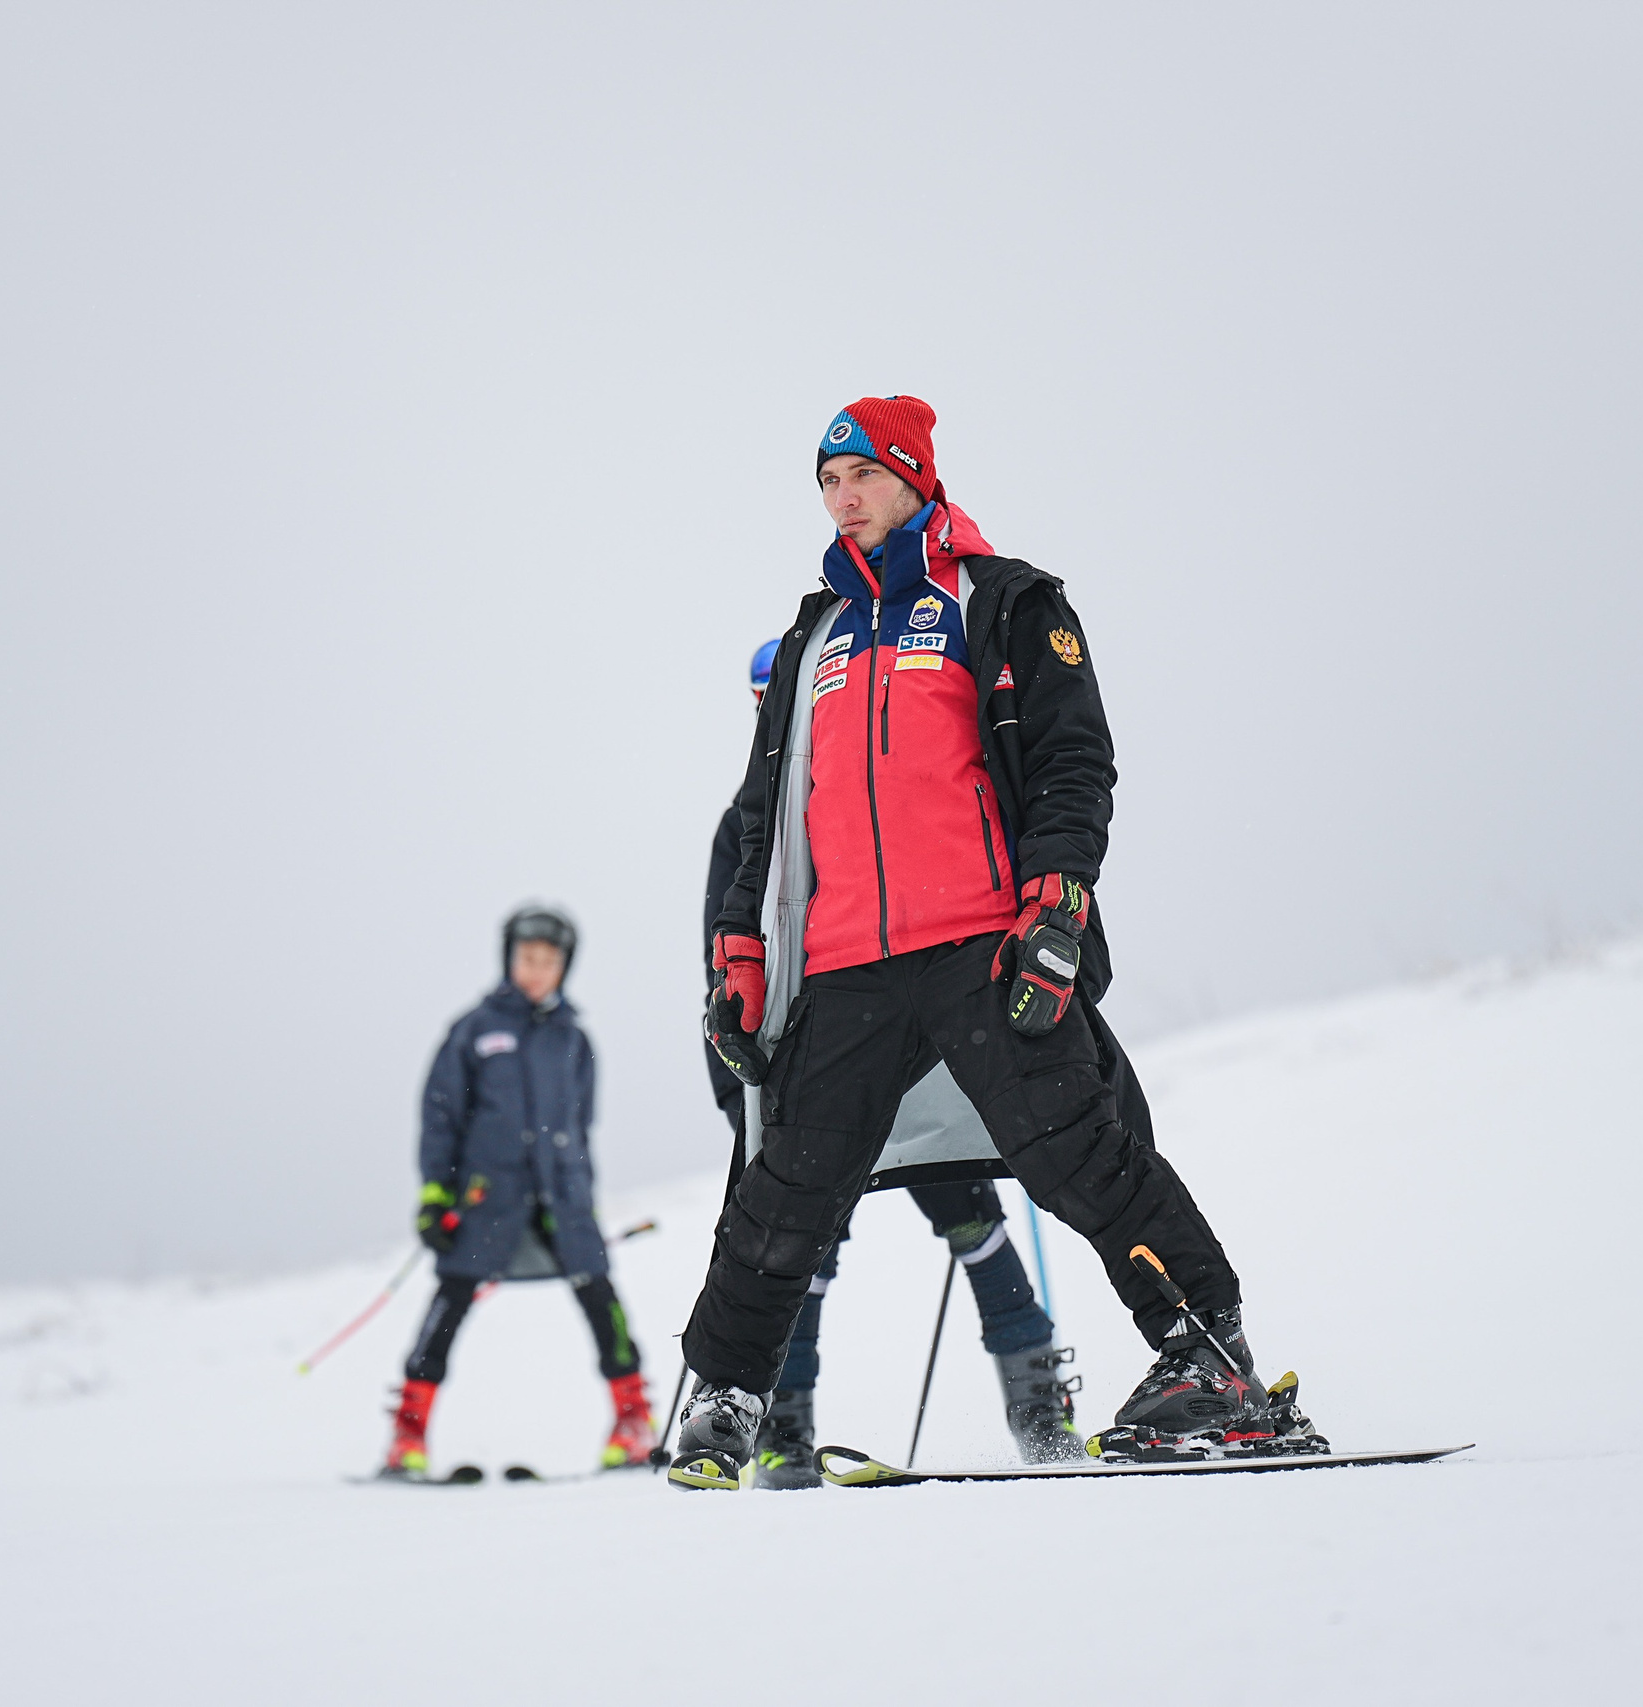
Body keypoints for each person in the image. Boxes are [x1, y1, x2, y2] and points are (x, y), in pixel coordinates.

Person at [672, 396, 1317, 1490]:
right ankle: (730, 1395)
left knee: (1078, 1150)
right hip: (845, 963)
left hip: (982, 939)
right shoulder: (812, 637)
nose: (844, 500)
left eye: (862, 477)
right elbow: (763, 815)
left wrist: (1055, 907)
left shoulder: (1002, 598)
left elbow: (1072, 763)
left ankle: (1209, 1357)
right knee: (787, 1182)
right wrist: (741, 957)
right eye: (828, 486)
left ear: (913, 476)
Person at [704, 639, 1082, 1487]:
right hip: (814, 1069)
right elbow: (722, 961)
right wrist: (742, 1092)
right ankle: (782, 1429)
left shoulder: (874, 783)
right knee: (806, 1242)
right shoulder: (751, 823)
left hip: (925, 1057)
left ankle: (1040, 1412)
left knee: (973, 1221)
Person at [383, 905, 657, 1478]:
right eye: (527, 958)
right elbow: (441, 1118)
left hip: (562, 1200)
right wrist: (437, 1196)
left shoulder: (573, 1041)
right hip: (488, 1199)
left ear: (565, 968)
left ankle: (633, 1423)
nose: (537, 970)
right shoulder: (475, 1031)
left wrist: (582, 1195)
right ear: (509, 959)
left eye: (549, 961)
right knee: (451, 1302)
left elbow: (582, 1129)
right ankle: (407, 1434)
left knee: (602, 1302)